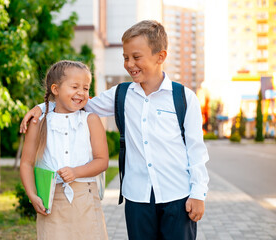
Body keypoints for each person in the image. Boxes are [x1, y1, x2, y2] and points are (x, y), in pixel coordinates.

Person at [20, 20, 209, 240]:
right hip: (137, 198)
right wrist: (42, 107)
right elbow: (76, 103)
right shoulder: (121, 94)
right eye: (125, 57)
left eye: (136, 57)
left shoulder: (184, 98)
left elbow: (196, 151)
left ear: (160, 56)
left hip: (178, 196)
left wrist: (198, 194)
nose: (129, 64)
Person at [19, 60, 109, 240]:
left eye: (85, 88)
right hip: (51, 202)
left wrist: (76, 172)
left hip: (86, 198)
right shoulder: (40, 122)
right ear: (55, 89)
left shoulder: (90, 120)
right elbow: (27, 163)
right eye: (75, 86)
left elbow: (102, 161)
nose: (81, 93)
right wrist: (32, 195)